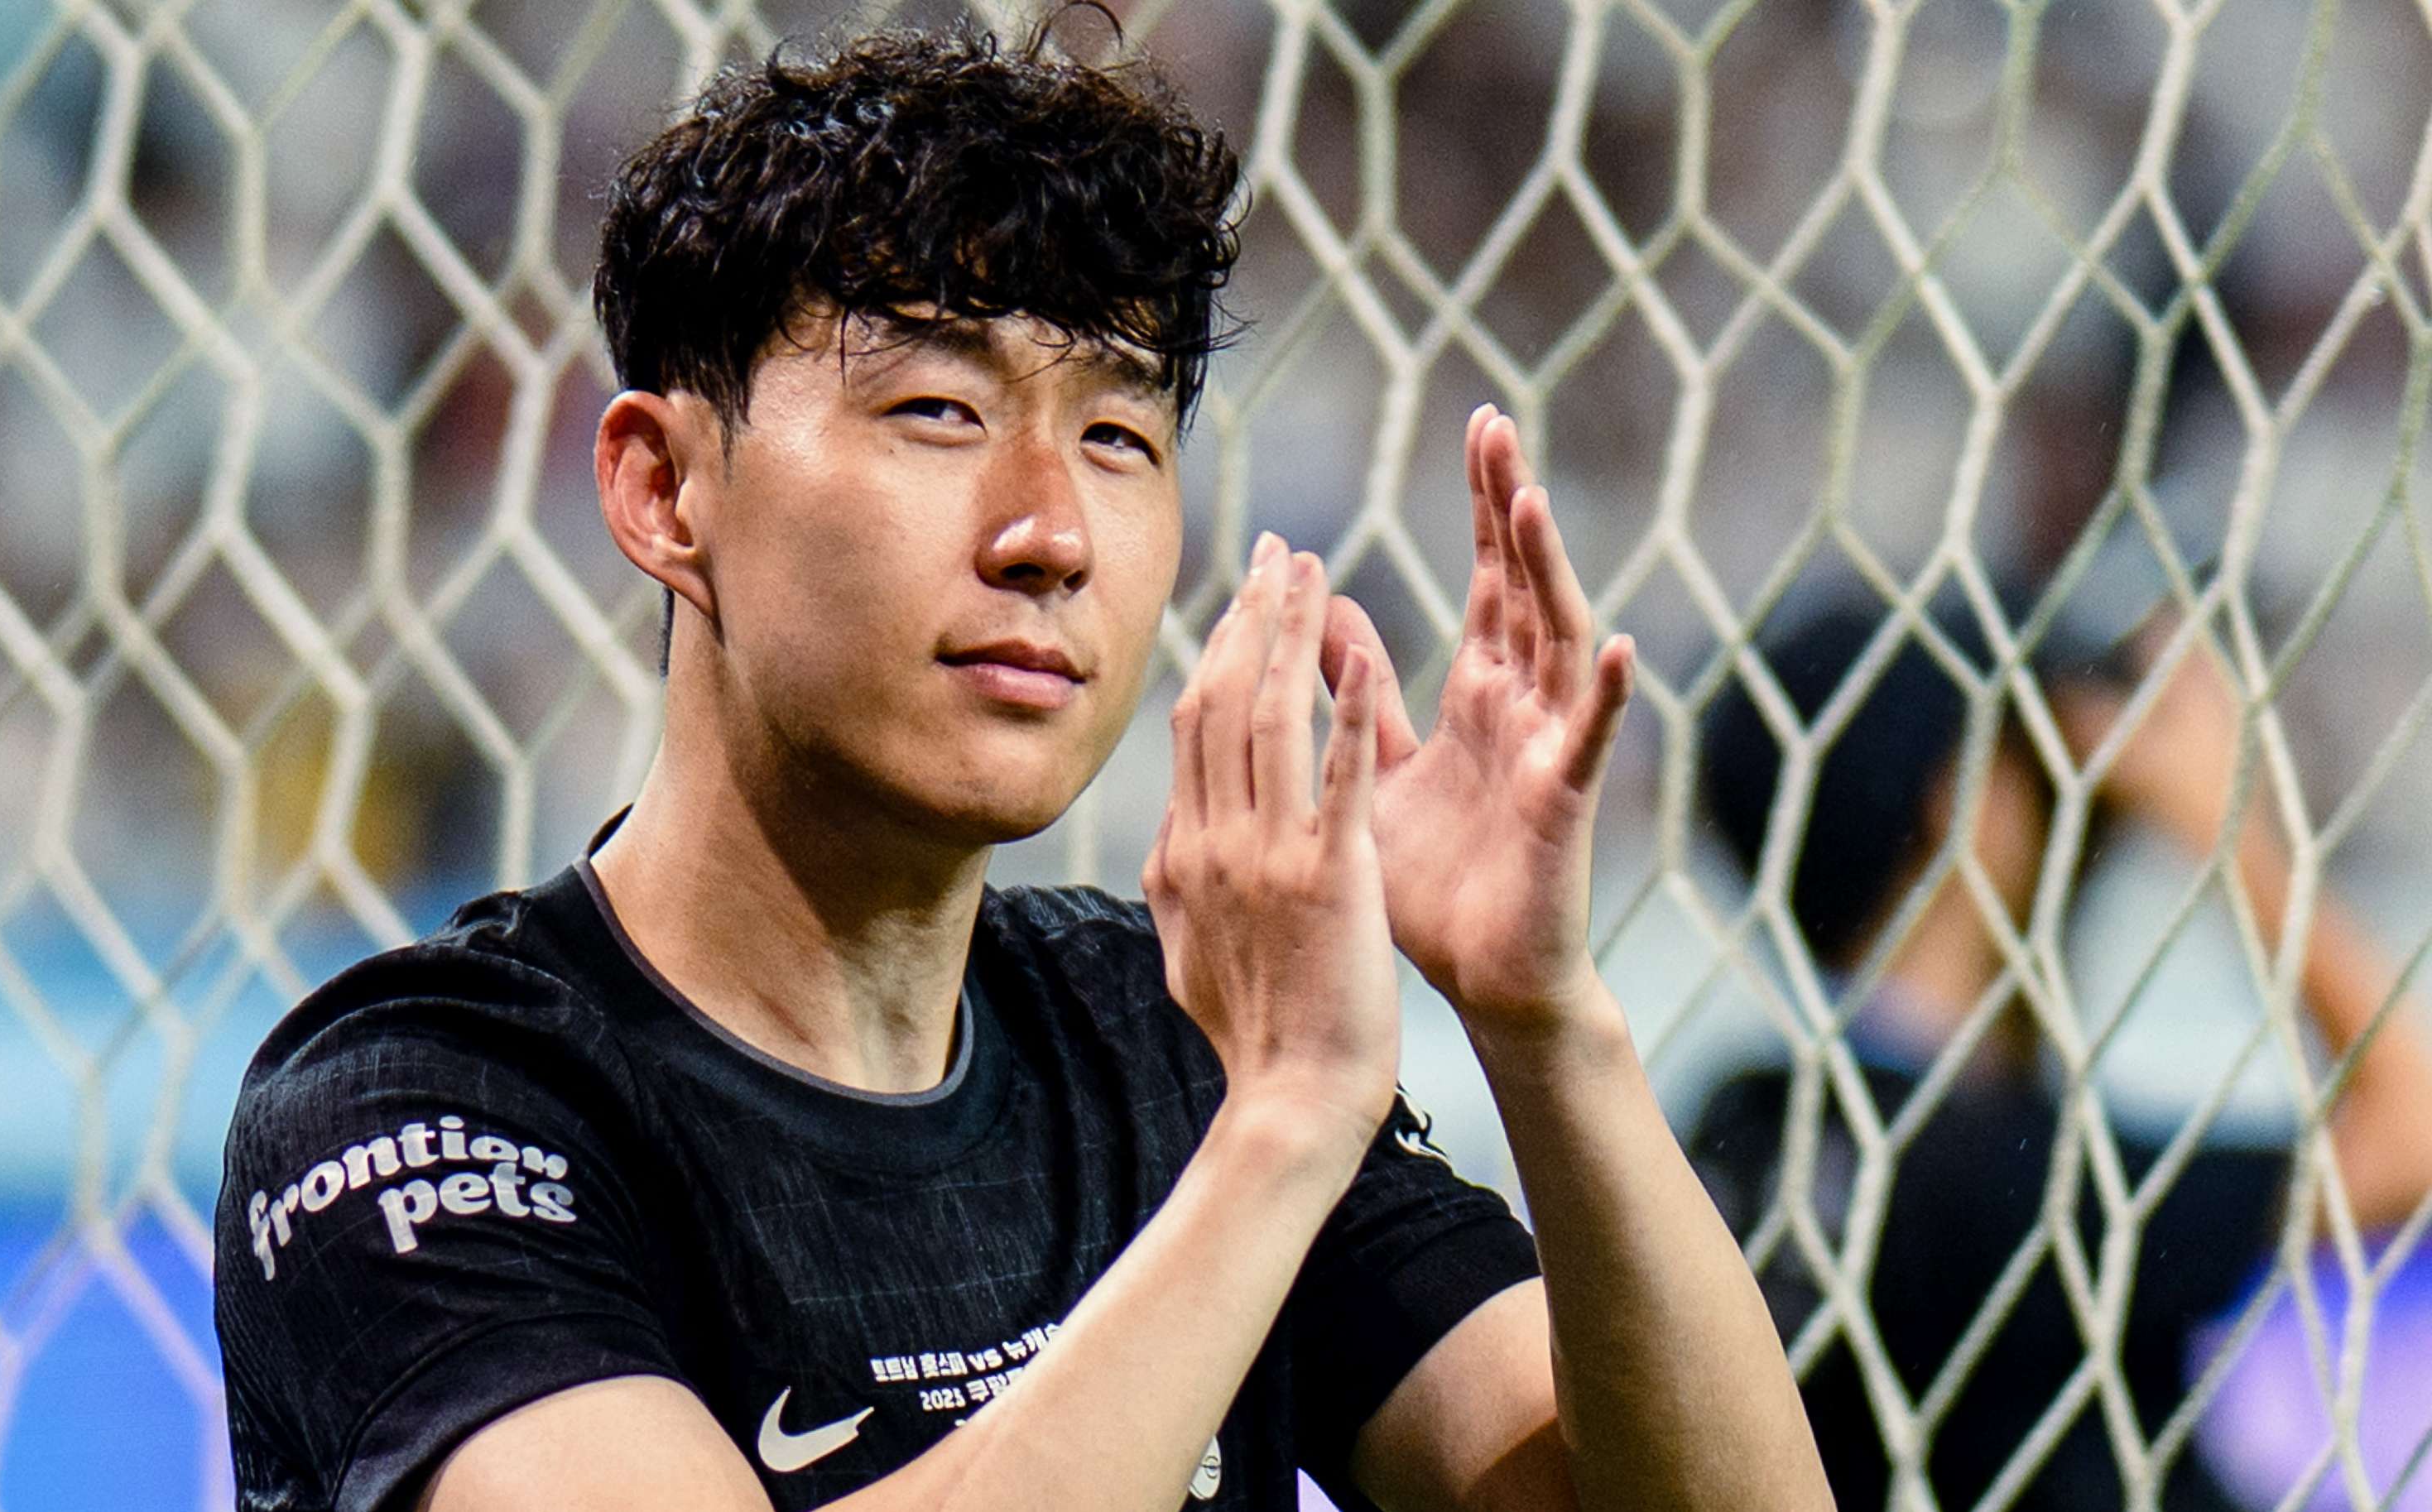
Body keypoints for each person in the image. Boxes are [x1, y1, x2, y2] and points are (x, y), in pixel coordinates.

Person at [212, 22, 1834, 1512]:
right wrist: (1275, 1133)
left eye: (1118, 437)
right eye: (934, 409)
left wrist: (1542, 1023)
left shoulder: (1168, 1032)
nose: (1049, 532)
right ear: (661, 489)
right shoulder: (427, 1105)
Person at [1688, 595, 2432, 1511]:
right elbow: (2414, 1136)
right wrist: (2228, 822)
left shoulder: (1738, 1128)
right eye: (2027, 759)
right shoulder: (2014, 1187)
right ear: (1960, 804)